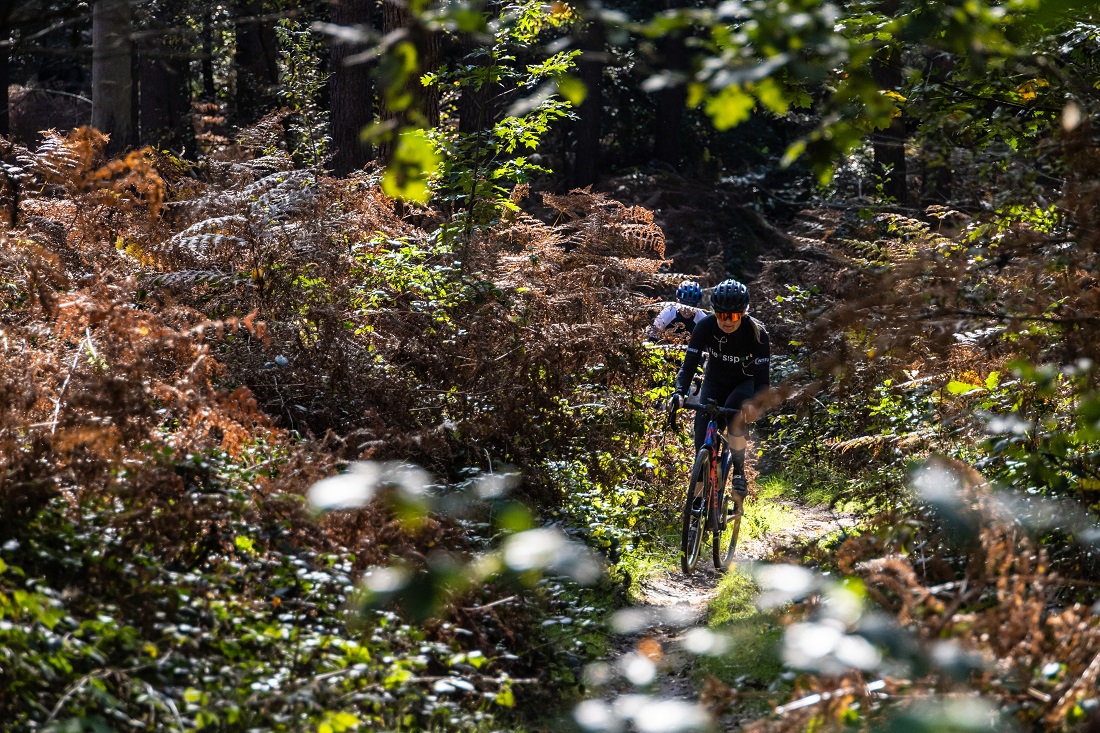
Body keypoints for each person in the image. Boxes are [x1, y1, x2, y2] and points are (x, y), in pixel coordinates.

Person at [667, 278, 770, 495]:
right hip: (714, 382)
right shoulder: (705, 326)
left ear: (744, 312)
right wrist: (679, 393)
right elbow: (689, 365)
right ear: (714, 312)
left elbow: (762, 378)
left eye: (734, 316)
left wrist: (756, 403)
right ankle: (698, 501)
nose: (728, 321)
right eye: (722, 315)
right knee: (701, 439)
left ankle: (739, 472)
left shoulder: (757, 333)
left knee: (734, 415)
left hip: (744, 383)